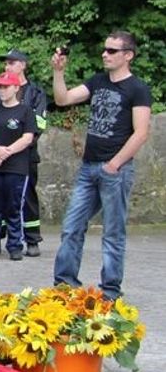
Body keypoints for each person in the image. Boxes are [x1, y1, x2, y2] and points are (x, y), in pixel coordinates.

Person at [51, 33, 151, 301]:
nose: (105, 54)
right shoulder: (97, 81)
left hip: (115, 171)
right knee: (71, 226)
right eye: (104, 49)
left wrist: (114, 165)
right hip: (88, 169)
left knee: (113, 232)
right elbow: (63, 99)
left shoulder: (137, 89)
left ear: (128, 55)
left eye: (112, 50)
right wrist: (58, 72)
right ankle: (65, 285)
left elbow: (141, 133)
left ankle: (110, 291)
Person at [0, 49, 47, 256]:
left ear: (23, 65)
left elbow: (38, 125)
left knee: (27, 196)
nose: (7, 66)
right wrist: (0, 150)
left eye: (12, 63)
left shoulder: (36, 93)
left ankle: (32, 238)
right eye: (5, 63)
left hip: (25, 154)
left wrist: (14, 148)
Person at [0, 72, 37, 260]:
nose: (1, 91)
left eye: (5, 87)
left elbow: (27, 138)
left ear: (16, 88)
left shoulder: (26, 112)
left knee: (14, 208)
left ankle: (15, 246)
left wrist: (5, 153)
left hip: (16, 168)